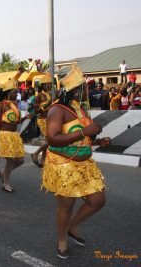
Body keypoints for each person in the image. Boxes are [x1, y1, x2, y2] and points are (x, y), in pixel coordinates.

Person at [41, 65, 109, 260]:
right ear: (75, 89)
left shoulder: (80, 109)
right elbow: (52, 139)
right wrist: (84, 132)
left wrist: (96, 141)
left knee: (97, 201)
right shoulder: (57, 110)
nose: (87, 90)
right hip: (64, 165)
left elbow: (82, 138)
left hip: (86, 163)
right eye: (83, 87)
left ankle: (73, 225)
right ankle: (62, 239)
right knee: (66, 206)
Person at [0, 79, 31, 192]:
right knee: (10, 160)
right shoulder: (1, 106)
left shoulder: (15, 105)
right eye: (14, 91)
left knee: (20, 160)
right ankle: (6, 183)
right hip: (4, 135)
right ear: (8, 93)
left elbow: (16, 121)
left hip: (14, 136)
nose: (16, 94)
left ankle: (4, 173)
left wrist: (25, 118)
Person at [31, 83, 52, 168]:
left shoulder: (50, 94)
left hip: (50, 119)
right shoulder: (39, 96)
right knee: (49, 141)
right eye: (48, 84)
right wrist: (46, 105)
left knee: (47, 141)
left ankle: (43, 161)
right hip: (42, 119)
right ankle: (35, 153)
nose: (49, 86)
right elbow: (36, 111)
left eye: (50, 85)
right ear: (43, 86)